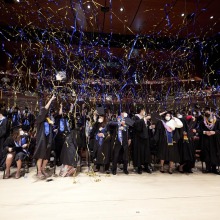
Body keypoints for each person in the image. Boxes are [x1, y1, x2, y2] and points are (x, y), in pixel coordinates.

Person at [33, 94, 56, 179]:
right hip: (41, 140)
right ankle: (39, 171)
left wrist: (53, 129)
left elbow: (49, 129)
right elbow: (45, 109)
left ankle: (43, 169)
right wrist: (51, 99)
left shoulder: (48, 120)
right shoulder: (39, 119)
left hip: (48, 139)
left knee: (46, 156)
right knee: (40, 156)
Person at [199, 107, 220, 174]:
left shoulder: (217, 121)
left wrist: (214, 132)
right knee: (206, 153)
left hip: (214, 140)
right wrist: (205, 132)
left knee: (214, 153)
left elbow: (219, 130)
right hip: (206, 139)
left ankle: (214, 168)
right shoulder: (202, 122)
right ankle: (208, 168)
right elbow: (199, 131)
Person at [109, 110, 131, 175]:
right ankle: (114, 169)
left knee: (125, 156)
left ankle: (125, 169)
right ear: (121, 114)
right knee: (115, 156)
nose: (124, 114)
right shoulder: (116, 119)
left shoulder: (126, 120)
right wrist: (119, 123)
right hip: (117, 140)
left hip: (125, 140)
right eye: (123, 113)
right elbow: (110, 123)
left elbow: (128, 130)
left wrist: (129, 138)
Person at [133, 106, 152, 174]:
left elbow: (146, 127)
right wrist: (144, 119)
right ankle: (139, 167)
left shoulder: (145, 118)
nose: (144, 112)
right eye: (143, 110)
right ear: (141, 110)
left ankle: (146, 166)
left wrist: (150, 127)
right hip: (139, 138)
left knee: (146, 152)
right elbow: (136, 126)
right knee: (139, 153)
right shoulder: (136, 117)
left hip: (146, 138)